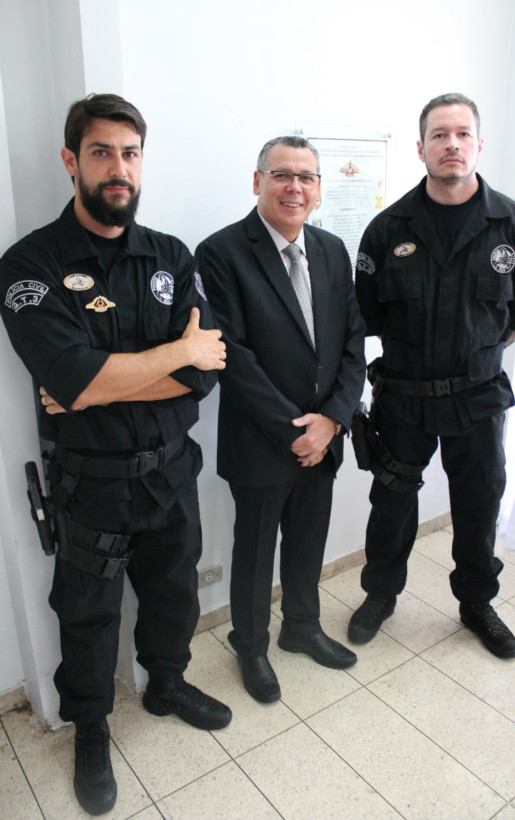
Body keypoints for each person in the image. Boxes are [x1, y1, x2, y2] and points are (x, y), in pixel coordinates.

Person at [0, 93, 232, 816]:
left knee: (174, 592)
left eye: (130, 153)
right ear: (71, 161)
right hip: (90, 483)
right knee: (88, 613)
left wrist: (98, 385)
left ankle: (165, 683)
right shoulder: (29, 264)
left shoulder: (170, 256)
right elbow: (74, 375)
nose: (118, 168)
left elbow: (206, 367)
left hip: (171, 469)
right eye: (101, 152)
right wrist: (165, 358)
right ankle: (92, 728)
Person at [349, 92, 515, 659]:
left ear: (479, 144)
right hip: (403, 398)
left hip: (478, 398)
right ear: (421, 149)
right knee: (391, 503)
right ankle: (380, 595)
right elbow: (369, 315)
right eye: (439, 135)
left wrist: (472, 354)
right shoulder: (387, 229)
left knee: (479, 503)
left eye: (462, 134)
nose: (451, 144)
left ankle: (477, 603)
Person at [195, 136, 365, 704]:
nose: (295, 187)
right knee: (255, 550)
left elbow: (352, 343)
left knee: (308, 541)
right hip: (262, 440)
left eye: (306, 177)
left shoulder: (332, 250)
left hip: (324, 437)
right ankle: (251, 646)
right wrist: (298, 432)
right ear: (258, 181)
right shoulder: (221, 252)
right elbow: (231, 356)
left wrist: (332, 421)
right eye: (282, 175)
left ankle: (301, 627)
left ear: (318, 189)